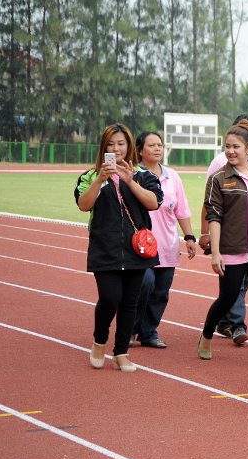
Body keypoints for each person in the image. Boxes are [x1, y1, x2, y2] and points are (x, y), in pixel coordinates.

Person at [75, 124, 163, 372]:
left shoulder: (145, 176)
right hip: (105, 249)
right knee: (110, 298)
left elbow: (154, 203)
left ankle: (121, 352)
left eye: (121, 144)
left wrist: (130, 181)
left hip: (136, 250)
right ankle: (99, 341)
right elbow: (83, 205)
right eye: (111, 144)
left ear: (129, 146)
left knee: (130, 301)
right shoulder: (89, 177)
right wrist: (101, 179)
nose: (116, 148)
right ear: (104, 148)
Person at [197, 120, 248, 369]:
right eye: (227, 146)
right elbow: (214, 217)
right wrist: (216, 253)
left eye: (236, 146)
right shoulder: (219, 179)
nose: (230, 151)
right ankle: (207, 335)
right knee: (228, 297)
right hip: (232, 250)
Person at [132, 131, 197, 349]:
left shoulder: (172, 176)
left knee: (161, 291)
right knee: (144, 284)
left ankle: (149, 332)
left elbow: (182, 209)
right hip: (140, 245)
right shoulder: (133, 174)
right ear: (140, 150)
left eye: (160, 145)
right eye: (152, 145)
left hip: (167, 244)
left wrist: (189, 237)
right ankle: (131, 328)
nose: (158, 149)